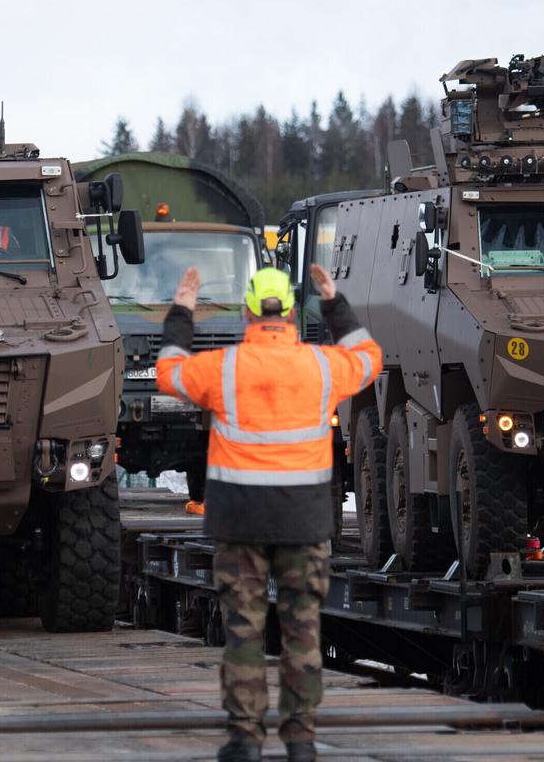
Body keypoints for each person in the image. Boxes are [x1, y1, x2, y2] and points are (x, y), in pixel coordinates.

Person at [157, 264, 382, 762]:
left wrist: (182, 313)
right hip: (303, 523)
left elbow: (168, 373)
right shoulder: (323, 367)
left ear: (249, 312)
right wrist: (336, 304)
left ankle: (245, 741)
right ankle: (300, 741)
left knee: (244, 629)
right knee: (303, 631)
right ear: (293, 315)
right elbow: (369, 359)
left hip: (240, 523)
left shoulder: (224, 368)